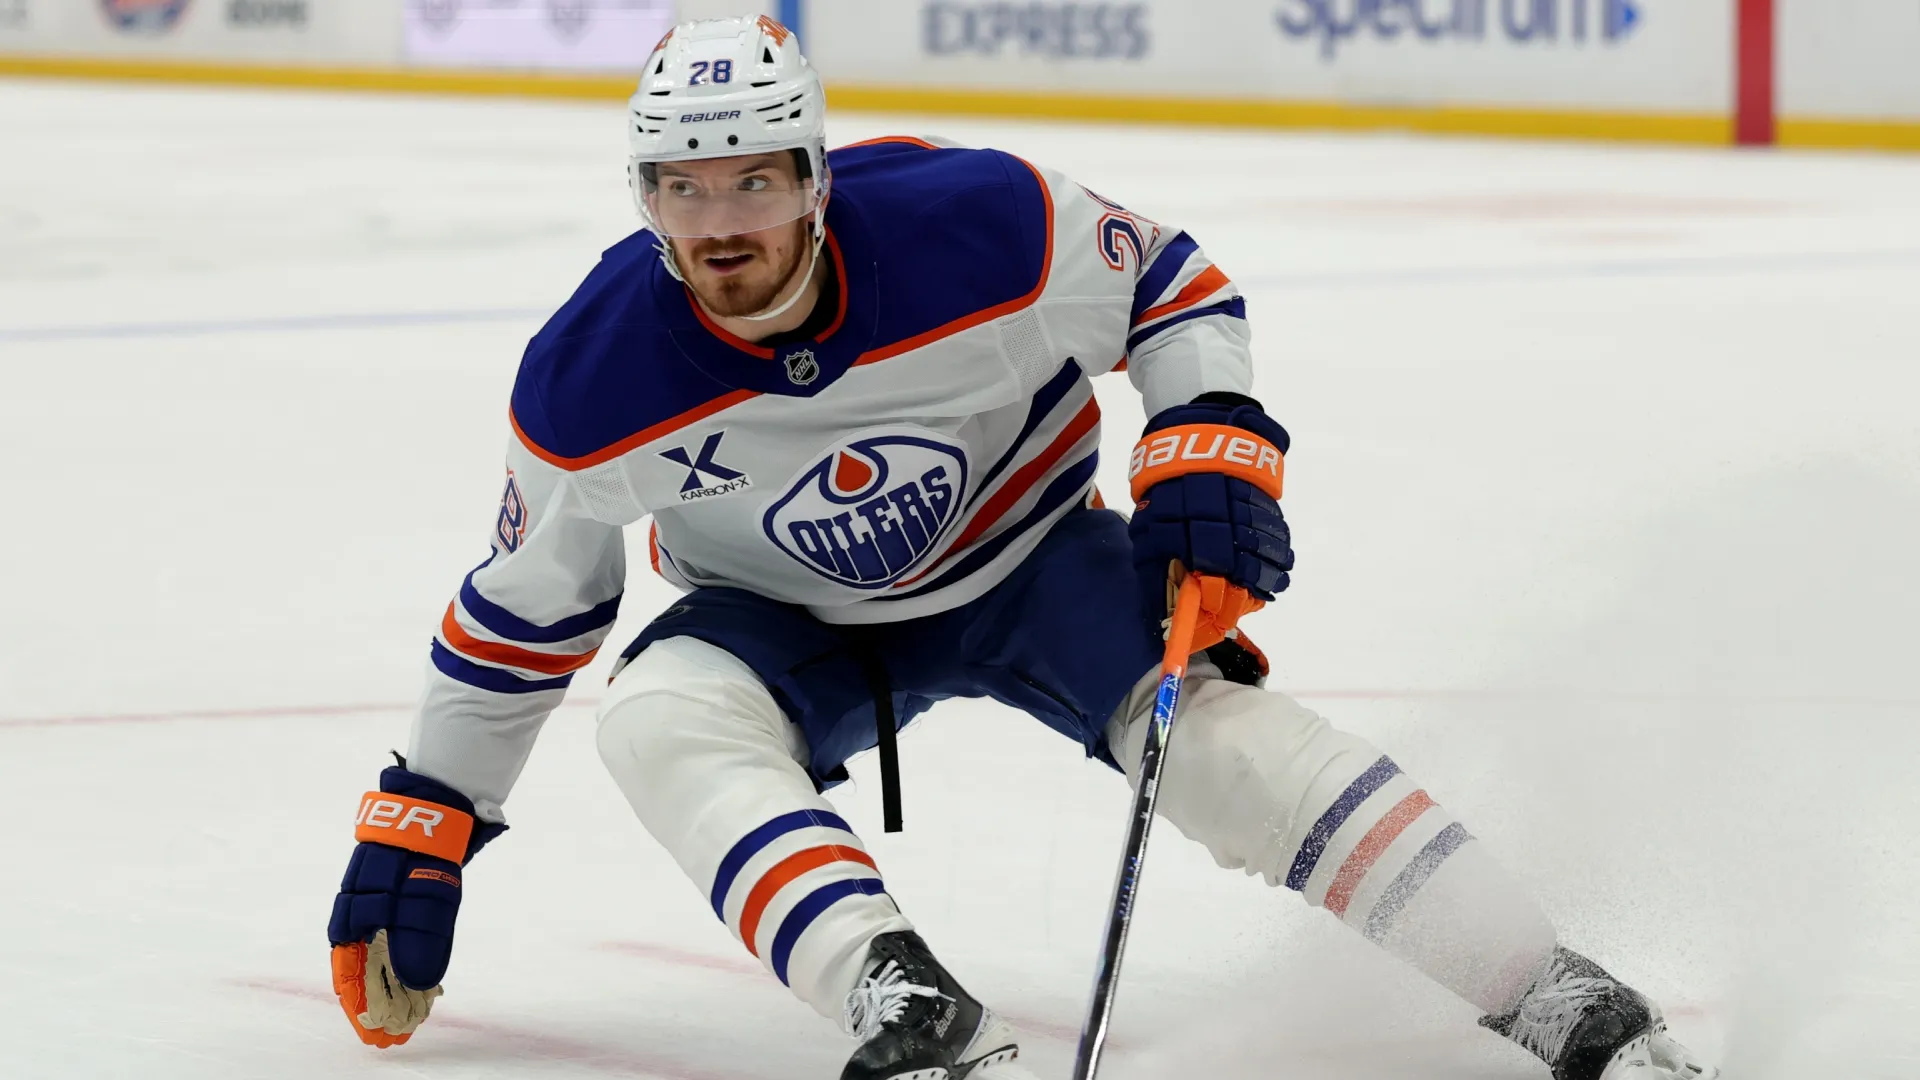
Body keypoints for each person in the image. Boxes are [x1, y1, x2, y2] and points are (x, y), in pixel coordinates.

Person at [326, 16, 1719, 1080]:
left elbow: (1170, 283)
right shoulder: (589, 380)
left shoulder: (980, 224)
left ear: (813, 179)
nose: (723, 227)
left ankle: (1556, 994)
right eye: (684, 191)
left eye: (753, 181)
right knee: (656, 720)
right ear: (644, 197)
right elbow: (527, 610)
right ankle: (903, 1003)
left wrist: (1207, 437)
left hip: (1036, 559)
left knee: (1226, 753)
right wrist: (428, 815)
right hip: (783, 617)